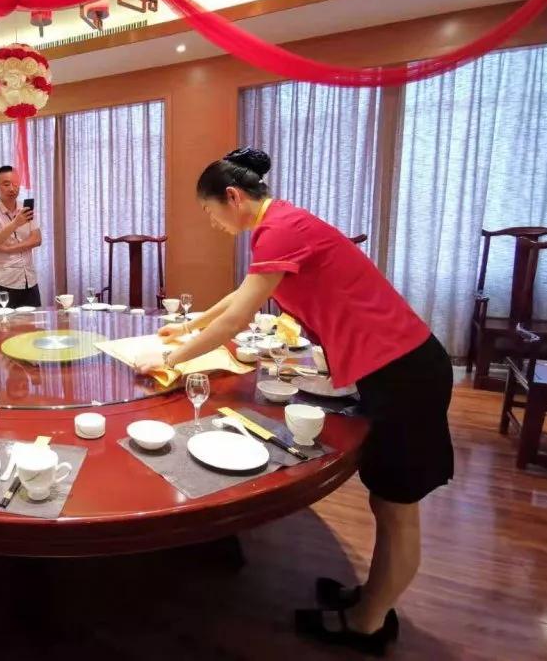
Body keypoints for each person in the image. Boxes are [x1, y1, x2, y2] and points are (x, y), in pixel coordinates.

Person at [136, 147, 453, 655]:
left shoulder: (279, 228)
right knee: (386, 501)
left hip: (405, 372)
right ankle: (372, 599)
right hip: (397, 368)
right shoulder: (280, 222)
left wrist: (169, 359)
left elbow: (237, 318)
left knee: (397, 508)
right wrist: (191, 326)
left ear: (232, 197)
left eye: (209, 211)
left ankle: (367, 624)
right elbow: (242, 296)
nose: (212, 222)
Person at [0, 165, 42, 308]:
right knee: (8, 322)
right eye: (6, 184)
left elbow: (37, 239)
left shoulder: (26, 209)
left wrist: (9, 249)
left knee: (33, 321)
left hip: (29, 279)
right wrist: (15, 223)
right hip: (5, 281)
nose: (12, 188)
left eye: (15, 184)